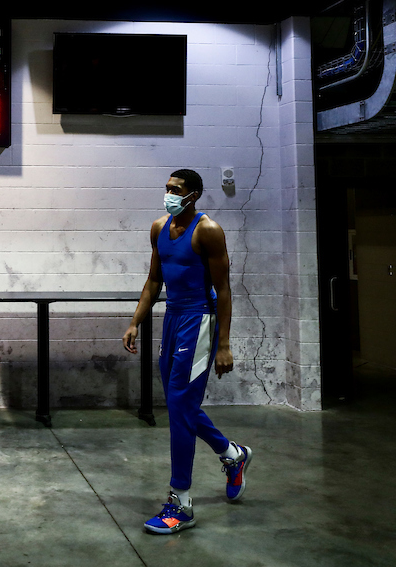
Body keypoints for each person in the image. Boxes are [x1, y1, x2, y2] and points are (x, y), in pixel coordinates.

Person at [122, 168, 252, 534]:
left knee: (180, 406)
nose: (169, 194)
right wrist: (135, 321)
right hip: (173, 317)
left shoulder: (208, 231)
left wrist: (224, 344)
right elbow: (153, 280)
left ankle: (181, 502)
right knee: (180, 405)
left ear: (193, 195)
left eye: (176, 189)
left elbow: (223, 290)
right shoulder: (158, 227)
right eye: (166, 188)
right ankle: (231, 454)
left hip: (200, 320)